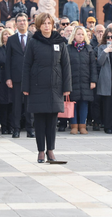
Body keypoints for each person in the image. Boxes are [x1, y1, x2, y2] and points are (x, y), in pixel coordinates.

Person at [21, 12, 71, 162]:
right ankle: (40, 151)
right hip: (37, 87)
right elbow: (27, 65)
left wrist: (66, 87)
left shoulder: (60, 42)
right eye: (44, 23)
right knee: (40, 121)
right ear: (39, 25)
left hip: (55, 87)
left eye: (49, 23)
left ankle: (50, 150)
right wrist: (26, 86)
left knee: (52, 122)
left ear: (53, 25)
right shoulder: (33, 42)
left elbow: (66, 66)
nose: (47, 26)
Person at [5, 13, 34, 138]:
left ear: (27, 23)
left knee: (30, 104)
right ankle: (16, 129)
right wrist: (8, 77)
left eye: (24, 21)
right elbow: (7, 60)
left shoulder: (34, 38)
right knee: (16, 104)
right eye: (19, 21)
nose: (22, 23)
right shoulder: (11, 39)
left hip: (31, 77)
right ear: (16, 24)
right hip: (16, 77)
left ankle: (30, 129)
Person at [66, 25, 97, 135]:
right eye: (78, 34)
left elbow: (93, 66)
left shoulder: (89, 49)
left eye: (82, 34)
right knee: (73, 104)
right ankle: (74, 126)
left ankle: (82, 126)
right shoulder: (68, 48)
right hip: (72, 81)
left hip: (85, 81)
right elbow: (65, 66)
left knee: (84, 104)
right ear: (74, 36)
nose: (80, 36)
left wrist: (93, 80)